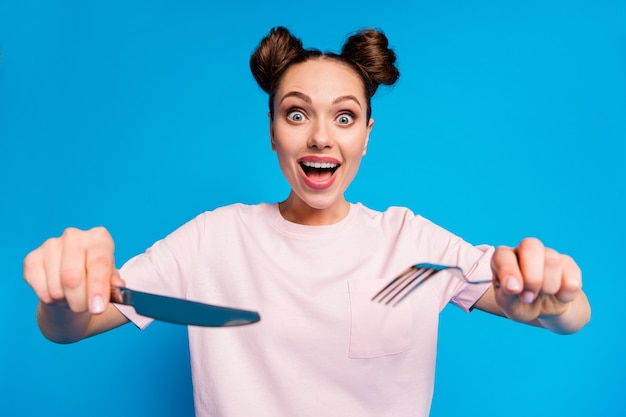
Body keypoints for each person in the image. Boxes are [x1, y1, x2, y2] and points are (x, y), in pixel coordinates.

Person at [23, 26, 591, 416]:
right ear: (272, 130)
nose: (321, 136)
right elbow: (68, 328)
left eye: (344, 117)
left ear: (367, 135)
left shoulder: (411, 240)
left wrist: (556, 303)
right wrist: (63, 296)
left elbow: (566, 316)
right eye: (297, 113)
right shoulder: (212, 239)